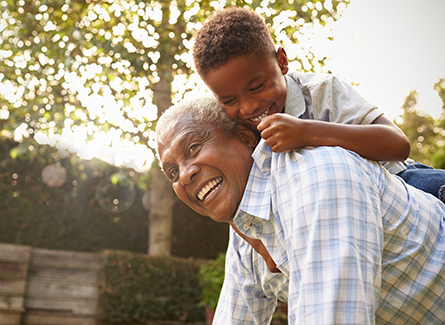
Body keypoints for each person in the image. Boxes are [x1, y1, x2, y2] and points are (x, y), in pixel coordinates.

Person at [156, 93, 445, 325]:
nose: (184, 175)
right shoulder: (247, 236)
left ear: (245, 138)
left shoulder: (319, 177)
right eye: (172, 173)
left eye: (193, 147)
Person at [192, 6, 445, 202]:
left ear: (281, 61)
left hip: (402, 182)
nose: (247, 108)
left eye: (256, 87)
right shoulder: (238, 131)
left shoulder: (320, 91)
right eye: (229, 100)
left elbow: (397, 144)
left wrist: (307, 132)